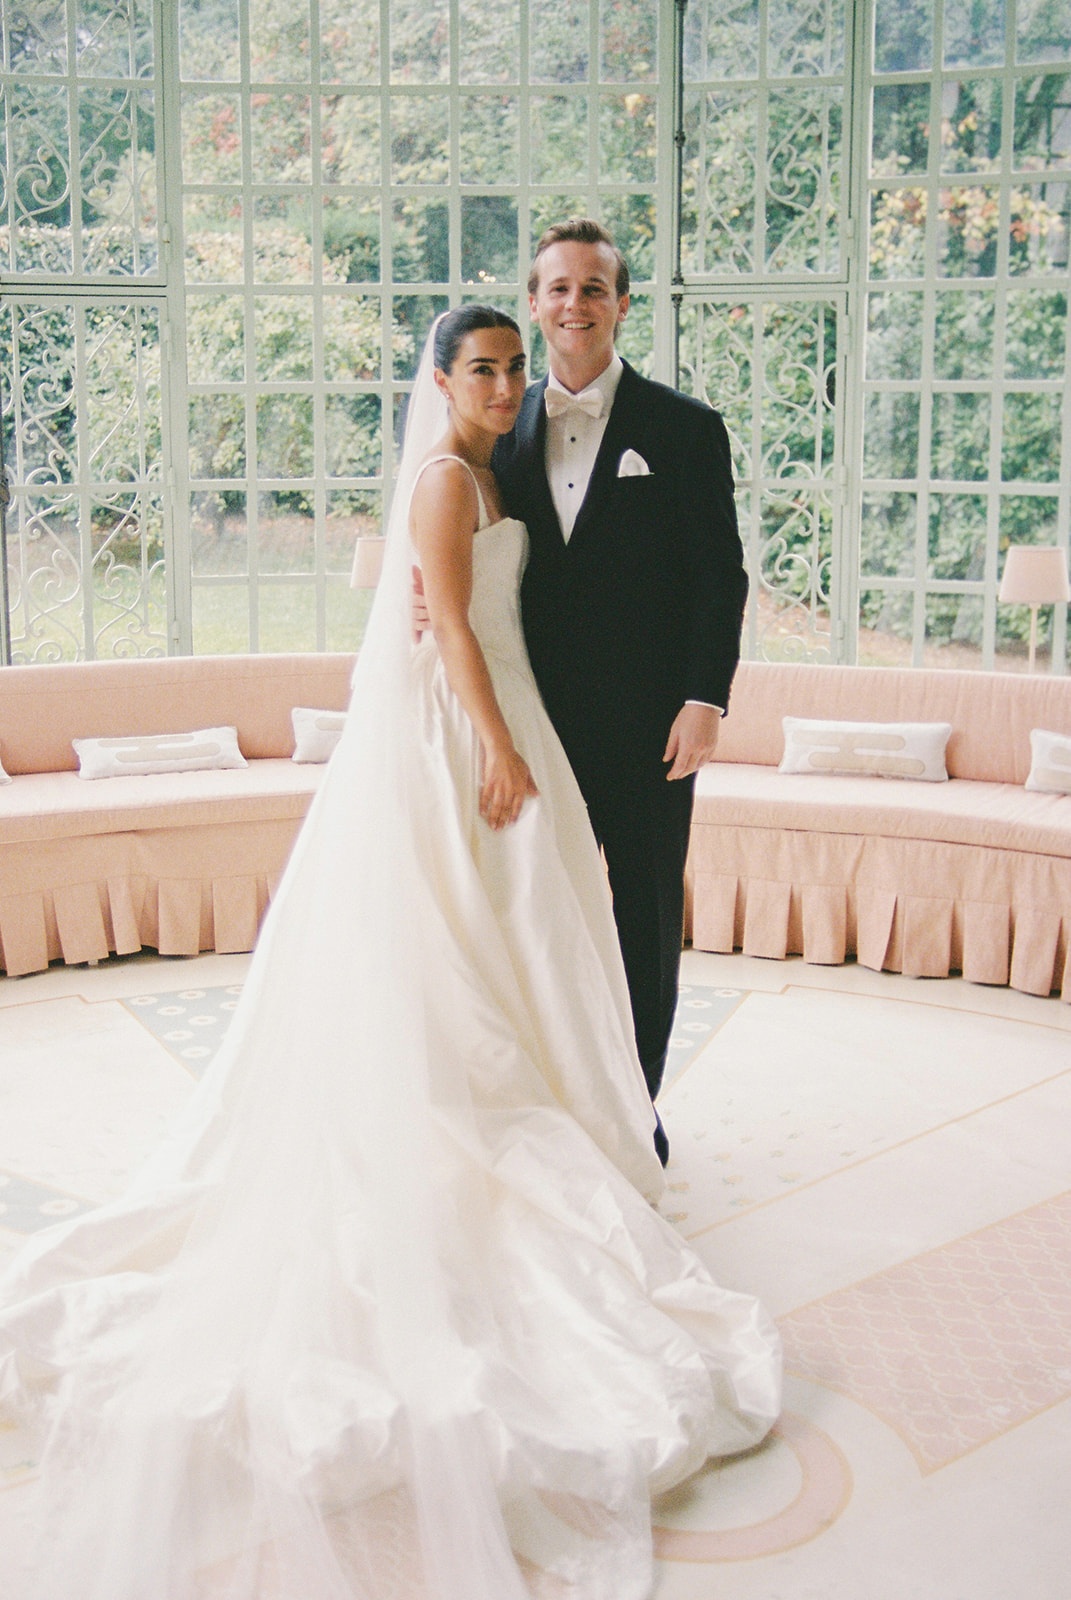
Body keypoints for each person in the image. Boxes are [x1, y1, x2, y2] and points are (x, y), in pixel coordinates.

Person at [0, 305, 779, 1600]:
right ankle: (471, 1109)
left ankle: (560, 1099)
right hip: (462, 733)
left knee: (534, 936)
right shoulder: (441, 478)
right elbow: (455, 633)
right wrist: (497, 747)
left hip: (500, 711)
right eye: (480, 366)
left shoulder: (490, 470)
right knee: (475, 937)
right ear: (438, 378)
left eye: (512, 365)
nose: (502, 381)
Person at [494, 219, 749, 1162]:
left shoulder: (683, 429)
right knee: (535, 910)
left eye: (593, 288)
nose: (574, 306)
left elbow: (717, 575)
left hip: (652, 728)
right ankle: (549, 1094)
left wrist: (703, 698)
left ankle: (634, 1107)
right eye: (556, 288)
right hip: (534, 727)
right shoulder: (496, 430)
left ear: (622, 303)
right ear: (533, 302)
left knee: (641, 913)